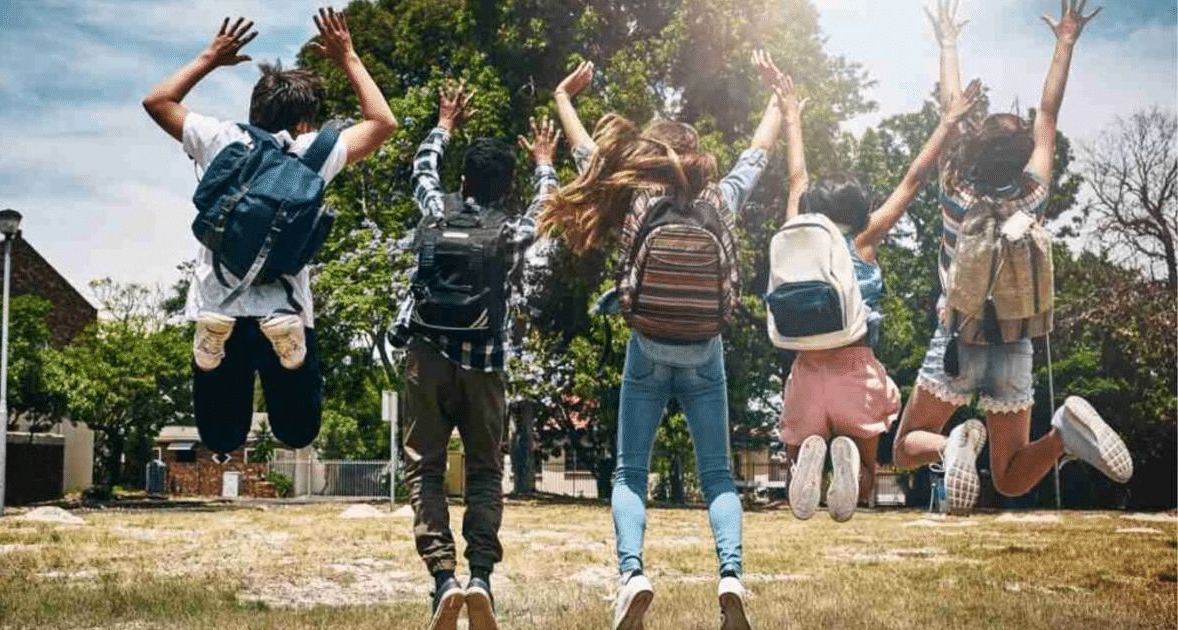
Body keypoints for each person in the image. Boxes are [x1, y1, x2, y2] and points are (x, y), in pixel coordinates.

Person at [543, 52, 784, 630]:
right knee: (718, 475)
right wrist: (779, 96)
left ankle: (633, 576)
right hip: (705, 349)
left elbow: (585, 152)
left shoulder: (632, 195)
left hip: (647, 346)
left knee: (630, 472)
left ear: (650, 155)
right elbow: (758, 154)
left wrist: (562, 98)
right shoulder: (720, 199)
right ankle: (730, 576)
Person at [892, 0, 1131, 514]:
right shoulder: (1034, 195)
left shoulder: (955, 191)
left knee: (907, 446)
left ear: (971, 154)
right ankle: (1064, 434)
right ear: (1024, 158)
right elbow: (1049, 114)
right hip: (1017, 342)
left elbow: (949, 111)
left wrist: (948, 44)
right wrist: (1065, 42)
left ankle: (951, 445)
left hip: (958, 338)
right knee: (1010, 476)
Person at [142, 9, 396, 461]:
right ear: (305, 122)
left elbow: (157, 101)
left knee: (222, 437)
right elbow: (383, 123)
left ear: (254, 112)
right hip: (286, 306)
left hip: (217, 304)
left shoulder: (223, 139)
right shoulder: (314, 151)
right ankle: (290, 353)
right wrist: (349, 58)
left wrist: (210, 57)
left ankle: (209, 350)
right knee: (297, 430)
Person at [760, 52, 982, 522]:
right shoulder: (863, 237)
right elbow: (913, 179)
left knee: (800, 459)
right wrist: (945, 123)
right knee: (862, 478)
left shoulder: (797, 227)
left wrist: (792, 116)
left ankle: (809, 459)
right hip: (855, 369)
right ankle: (843, 459)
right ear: (861, 209)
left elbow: (796, 175)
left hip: (804, 369)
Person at [388, 81, 560, 630]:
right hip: (485, 365)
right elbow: (548, 207)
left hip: (425, 357)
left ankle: (443, 579)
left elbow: (421, 169)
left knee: (426, 471)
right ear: (505, 186)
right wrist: (543, 162)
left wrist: (444, 122)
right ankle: (481, 577)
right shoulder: (509, 230)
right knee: (486, 471)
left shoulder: (437, 210)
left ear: (463, 181)